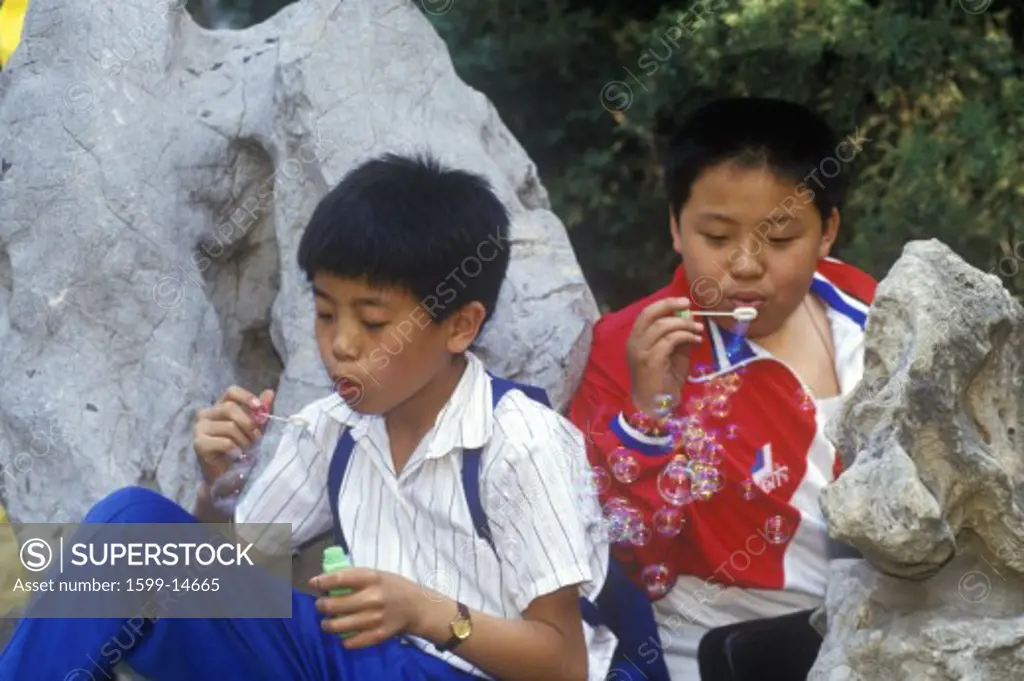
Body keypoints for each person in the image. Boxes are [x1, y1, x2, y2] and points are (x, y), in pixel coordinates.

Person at [0, 153, 614, 681]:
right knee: (130, 526)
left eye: (373, 322)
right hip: (362, 665)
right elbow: (224, 586)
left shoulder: (523, 441)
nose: (341, 344)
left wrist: (426, 612)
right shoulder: (332, 429)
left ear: (461, 325)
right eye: (325, 314)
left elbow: (564, 663)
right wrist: (217, 490)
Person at [566, 97, 877, 680]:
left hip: (891, 633)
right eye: (716, 234)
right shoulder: (626, 352)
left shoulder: (878, 313)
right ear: (675, 228)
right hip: (725, 657)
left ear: (827, 231)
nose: (745, 265)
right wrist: (646, 419)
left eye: (781, 239)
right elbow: (618, 557)